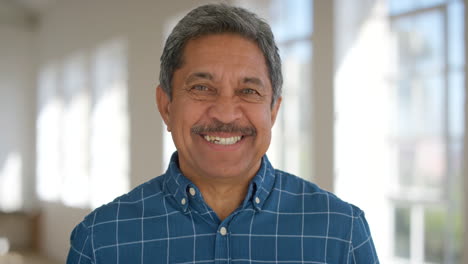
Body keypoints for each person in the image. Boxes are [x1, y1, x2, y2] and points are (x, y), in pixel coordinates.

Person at [67, 3, 379, 264]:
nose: (226, 113)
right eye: (202, 88)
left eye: (248, 90)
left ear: (273, 111)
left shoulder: (342, 234)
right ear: (166, 106)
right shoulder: (101, 242)